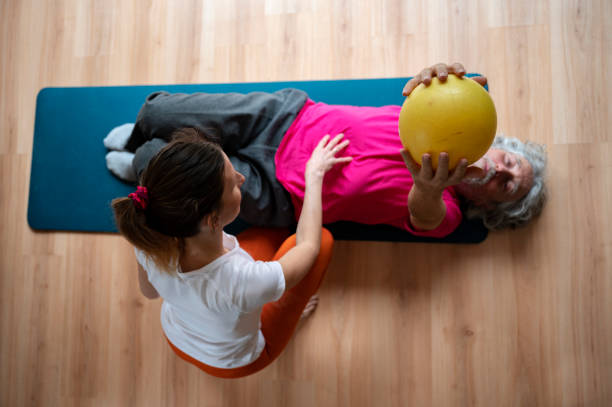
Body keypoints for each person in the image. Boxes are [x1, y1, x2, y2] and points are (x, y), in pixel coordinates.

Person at [105, 63, 547, 237]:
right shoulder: (451, 121)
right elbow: (430, 87)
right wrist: (435, 76)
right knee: (159, 113)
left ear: (490, 207)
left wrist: (429, 187)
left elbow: (425, 213)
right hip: (286, 118)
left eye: (507, 187)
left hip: (281, 194)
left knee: (156, 164)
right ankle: (142, 131)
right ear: (499, 146)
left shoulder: (445, 211)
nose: (502, 174)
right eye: (510, 164)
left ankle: (142, 162)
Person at [112, 130, 351, 378]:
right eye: (232, 183)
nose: (241, 178)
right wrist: (314, 176)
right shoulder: (242, 281)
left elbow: (150, 292)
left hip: (179, 338)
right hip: (237, 361)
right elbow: (308, 247)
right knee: (323, 241)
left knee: (269, 233)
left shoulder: (152, 240)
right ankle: (290, 316)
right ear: (212, 220)